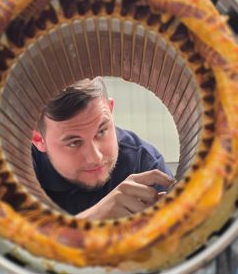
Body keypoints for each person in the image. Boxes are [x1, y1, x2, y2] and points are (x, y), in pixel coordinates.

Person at [32, 77, 174, 220]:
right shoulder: (18, 170)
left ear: (110, 110)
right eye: (74, 143)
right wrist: (93, 220)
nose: (96, 157)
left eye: (101, 132)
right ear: (39, 140)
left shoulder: (144, 163)